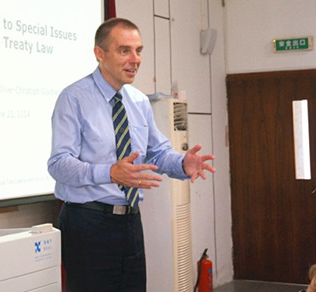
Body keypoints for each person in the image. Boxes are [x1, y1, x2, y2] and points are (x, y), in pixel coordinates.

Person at [47, 17, 215, 292]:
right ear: (100, 54)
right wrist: (109, 173)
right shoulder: (73, 98)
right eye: (124, 50)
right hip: (88, 222)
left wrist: (182, 163)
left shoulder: (138, 101)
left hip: (130, 221)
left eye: (139, 51)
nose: (135, 59)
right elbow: (59, 164)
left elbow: (157, 152)